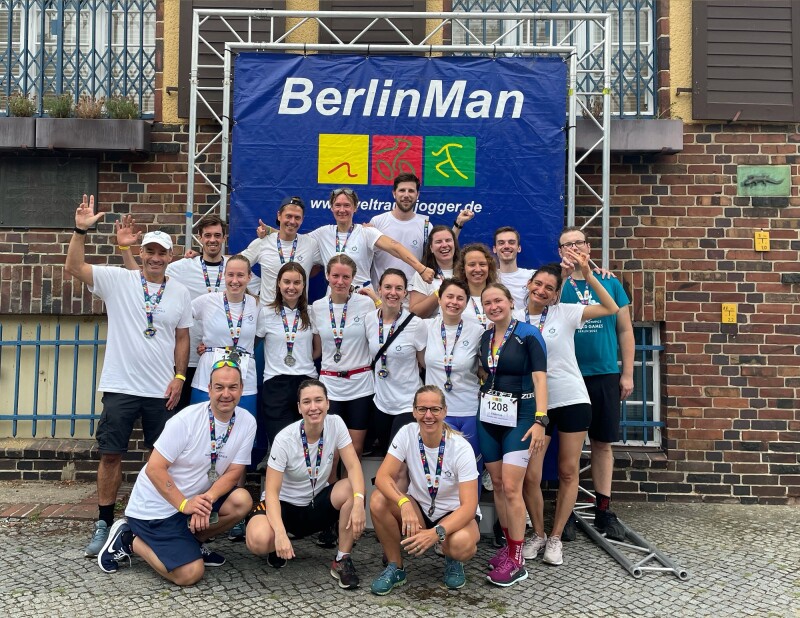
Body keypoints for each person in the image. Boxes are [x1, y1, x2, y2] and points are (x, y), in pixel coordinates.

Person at [66, 195, 192, 558]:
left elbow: (182, 337)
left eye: (161, 253)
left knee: (163, 458)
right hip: (120, 385)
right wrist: (80, 230)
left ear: (170, 256)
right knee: (110, 455)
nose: (155, 258)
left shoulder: (179, 292)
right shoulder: (119, 280)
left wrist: (180, 377)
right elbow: (74, 267)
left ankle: (158, 520)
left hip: (160, 389)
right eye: (149, 251)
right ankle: (104, 521)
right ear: (142, 252)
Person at [96, 360, 257, 584]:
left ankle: (191, 543)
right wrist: (184, 504)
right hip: (156, 509)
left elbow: (234, 472)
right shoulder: (186, 420)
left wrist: (207, 500)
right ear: (209, 389)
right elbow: (154, 468)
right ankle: (129, 538)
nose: (226, 394)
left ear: (242, 389)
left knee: (241, 500)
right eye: (219, 387)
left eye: (232, 387)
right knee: (190, 574)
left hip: (192, 502)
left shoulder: (247, 422)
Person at [519, 252, 619, 568]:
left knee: (567, 470)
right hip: (535, 405)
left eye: (549, 287)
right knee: (530, 474)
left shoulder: (565, 312)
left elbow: (610, 308)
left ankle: (556, 537)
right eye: (538, 284)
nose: (542, 291)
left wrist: (588, 274)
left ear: (556, 292)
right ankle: (537, 532)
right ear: (529, 284)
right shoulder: (514, 316)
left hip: (572, 399)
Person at [245, 379, 366, 590]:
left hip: (314, 505)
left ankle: (342, 559)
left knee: (349, 488)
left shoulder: (336, 423)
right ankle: (277, 544)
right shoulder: (285, 439)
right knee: (258, 540)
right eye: (307, 402)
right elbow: (271, 492)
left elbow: (354, 467)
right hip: (283, 507)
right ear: (299, 407)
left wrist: (359, 502)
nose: (313, 407)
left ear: (328, 403)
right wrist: (280, 534)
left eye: (319, 400)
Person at [558, 226, 634, 541]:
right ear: (560, 252)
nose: (574, 249)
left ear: (589, 246)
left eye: (578, 243)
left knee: (602, 443)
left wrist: (627, 372)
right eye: (566, 245)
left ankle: (603, 510)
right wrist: (562, 278)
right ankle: (568, 512)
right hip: (567, 377)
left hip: (603, 373)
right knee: (570, 450)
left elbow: (625, 330)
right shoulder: (555, 285)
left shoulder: (609, 281)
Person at [369, 385, 480, 595]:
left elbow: (469, 507)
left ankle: (452, 560)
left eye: (435, 409)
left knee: (461, 544)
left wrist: (436, 533)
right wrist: (403, 503)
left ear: (445, 411)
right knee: (378, 500)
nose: (428, 415)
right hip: (419, 508)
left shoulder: (461, 447)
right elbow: (383, 477)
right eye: (422, 409)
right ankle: (396, 567)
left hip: (453, 514)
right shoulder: (407, 433)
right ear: (413, 411)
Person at [478, 283, 548, 587]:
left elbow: (540, 378)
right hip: (489, 416)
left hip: (521, 417)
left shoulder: (529, 334)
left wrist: (540, 420)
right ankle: (508, 549)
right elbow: (487, 374)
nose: (494, 306)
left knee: (510, 487)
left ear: (510, 302)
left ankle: (518, 561)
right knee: (496, 484)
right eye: (488, 303)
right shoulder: (485, 337)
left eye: (498, 301)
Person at [190, 254, 261, 541]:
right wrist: (200, 345)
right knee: (200, 440)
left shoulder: (258, 306)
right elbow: (179, 317)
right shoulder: (205, 301)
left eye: (240, 275)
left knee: (239, 443)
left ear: (248, 278)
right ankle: (197, 505)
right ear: (223, 276)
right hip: (208, 379)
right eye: (230, 275)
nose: (234, 280)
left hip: (246, 381)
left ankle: (236, 512)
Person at [311, 255, 376, 460]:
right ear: (327, 276)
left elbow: (385, 330)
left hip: (360, 384)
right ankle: (331, 490)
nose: (340, 281)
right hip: (330, 384)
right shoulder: (317, 308)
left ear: (353, 278)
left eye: (346, 277)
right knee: (331, 449)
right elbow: (316, 351)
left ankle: (353, 491)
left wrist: (378, 300)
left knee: (355, 449)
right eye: (335, 276)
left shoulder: (366, 304)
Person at [308, 187, 435, 289]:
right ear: (331, 207)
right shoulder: (322, 233)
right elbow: (297, 243)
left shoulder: (365, 232)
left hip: (362, 297)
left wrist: (421, 268)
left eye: (347, 205)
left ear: (355, 208)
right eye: (338, 205)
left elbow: (394, 247)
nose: (342, 210)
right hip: (333, 298)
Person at [417, 279, 483, 472]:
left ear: (467, 302)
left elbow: (483, 367)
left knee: (470, 466)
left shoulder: (477, 331)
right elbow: (422, 361)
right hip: (435, 411)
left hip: (468, 410)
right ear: (439, 299)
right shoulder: (425, 327)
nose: (454, 302)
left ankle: (472, 503)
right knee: (436, 467)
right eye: (449, 296)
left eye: (460, 298)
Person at [368, 173, 473, 285]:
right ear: (394, 193)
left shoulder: (425, 225)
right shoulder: (377, 222)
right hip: (382, 295)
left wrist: (459, 223)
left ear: (417, 195)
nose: (406, 195)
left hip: (413, 295)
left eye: (411, 191)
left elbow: (442, 247)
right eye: (402, 190)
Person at [362, 268, 425, 453]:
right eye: (388, 287)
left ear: (405, 293)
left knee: (398, 460)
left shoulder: (416, 324)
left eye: (399, 288)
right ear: (379, 289)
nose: (393, 292)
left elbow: (424, 364)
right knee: (385, 455)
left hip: (407, 403)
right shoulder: (369, 320)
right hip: (381, 403)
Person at [256, 262, 319, 446]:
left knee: (307, 442)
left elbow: (317, 350)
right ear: (278, 284)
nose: (291, 287)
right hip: (276, 384)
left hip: (307, 382)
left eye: (297, 283)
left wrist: (301, 358)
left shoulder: (312, 312)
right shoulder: (266, 313)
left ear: (303, 286)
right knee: (280, 442)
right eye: (287, 282)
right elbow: (249, 344)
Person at [243, 195, 321, 305]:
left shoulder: (310, 244)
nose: (292, 221)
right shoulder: (262, 242)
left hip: (298, 315)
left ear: (302, 220)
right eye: (288, 216)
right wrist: (255, 288)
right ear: (279, 215)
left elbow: (326, 264)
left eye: (297, 217)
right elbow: (237, 265)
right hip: (268, 315)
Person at [408, 225, 462, 318]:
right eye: (438, 242)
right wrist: (440, 292)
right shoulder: (423, 275)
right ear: (431, 248)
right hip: (434, 330)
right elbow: (415, 314)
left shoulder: (467, 271)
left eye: (448, 240)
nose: (444, 245)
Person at [454, 243, 497, 329]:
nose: (477, 269)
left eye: (482, 264)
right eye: (472, 264)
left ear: (489, 267)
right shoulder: (455, 299)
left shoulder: (500, 296)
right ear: (463, 269)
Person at [493, 226, 534, 310]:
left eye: (511, 242)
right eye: (501, 243)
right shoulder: (488, 276)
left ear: (519, 248)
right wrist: (458, 225)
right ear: (494, 249)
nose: (506, 246)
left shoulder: (533, 276)